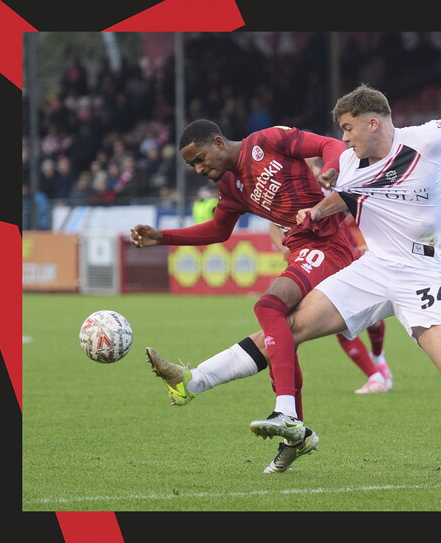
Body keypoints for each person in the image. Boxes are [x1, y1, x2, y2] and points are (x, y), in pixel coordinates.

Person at [250, 83, 441, 483]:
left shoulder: (427, 138)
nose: (343, 137)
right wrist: (317, 211)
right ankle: (205, 384)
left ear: (373, 122)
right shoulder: (350, 163)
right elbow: (343, 196)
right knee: (291, 326)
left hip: (423, 272)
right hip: (373, 268)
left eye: (348, 127)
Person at [130, 119, 391, 473]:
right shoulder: (230, 186)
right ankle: (293, 435)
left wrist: (330, 171)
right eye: (192, 165)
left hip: (328, 243)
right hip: (300, 249)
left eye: (199, 159)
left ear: (218, 143)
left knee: (268, 305)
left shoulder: (268, 141)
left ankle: (284, 412)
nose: (199, 168)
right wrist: (163, 238)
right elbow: (219, 230)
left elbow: (330, 144)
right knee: (282, 333)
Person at [268, 219, 392, 394]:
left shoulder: (328, 196)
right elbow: (273, 225)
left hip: (349, 255)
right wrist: (283, 249)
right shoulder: (298, 198)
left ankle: (378, 364)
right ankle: (377, 372)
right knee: (346, 319)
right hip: (323, 260)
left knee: (369, 318)